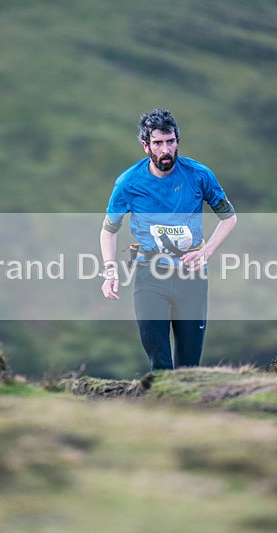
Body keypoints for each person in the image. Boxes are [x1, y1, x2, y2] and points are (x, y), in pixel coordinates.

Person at [99, 108, 237, 371]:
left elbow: (229, 218)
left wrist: (206, 252)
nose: (166, 150)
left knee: (188, 368)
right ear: (145, 146)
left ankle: (186, 410)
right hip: (149, 277)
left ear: (177, 141)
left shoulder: (199, 175)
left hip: (192, 277)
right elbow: (109, 229)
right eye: (158, 143)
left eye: (171, 141)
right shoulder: (128, 183)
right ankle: (161, 408)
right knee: (160, 365)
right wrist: (109, 271)